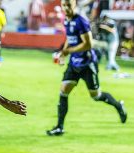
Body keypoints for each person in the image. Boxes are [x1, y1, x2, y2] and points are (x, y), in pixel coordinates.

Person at [46, 0, 127, 136]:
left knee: (96, 96)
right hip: (74, 64)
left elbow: (88, 44)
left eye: (69, 5)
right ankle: (59, 127)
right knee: (63, 91)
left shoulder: (81, 21)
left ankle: (119, 105)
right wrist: (63, 53)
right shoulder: (66, 20)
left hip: (87, 64)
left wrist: (68, 51)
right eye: (64, 5)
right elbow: (69, 38)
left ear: (75, 5)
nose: (66, 8)